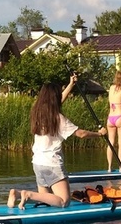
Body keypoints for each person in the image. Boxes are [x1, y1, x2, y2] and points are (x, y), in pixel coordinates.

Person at [8, 75, 107, 209]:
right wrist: (99, 134)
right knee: (64, 201)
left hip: (37, 162)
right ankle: (27, 195)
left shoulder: (37, 113)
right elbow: (81, 134)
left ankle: (17, 193)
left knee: (46, 200)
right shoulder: (58, 118)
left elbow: (59, 102)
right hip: (52, 164)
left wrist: (71, 84)